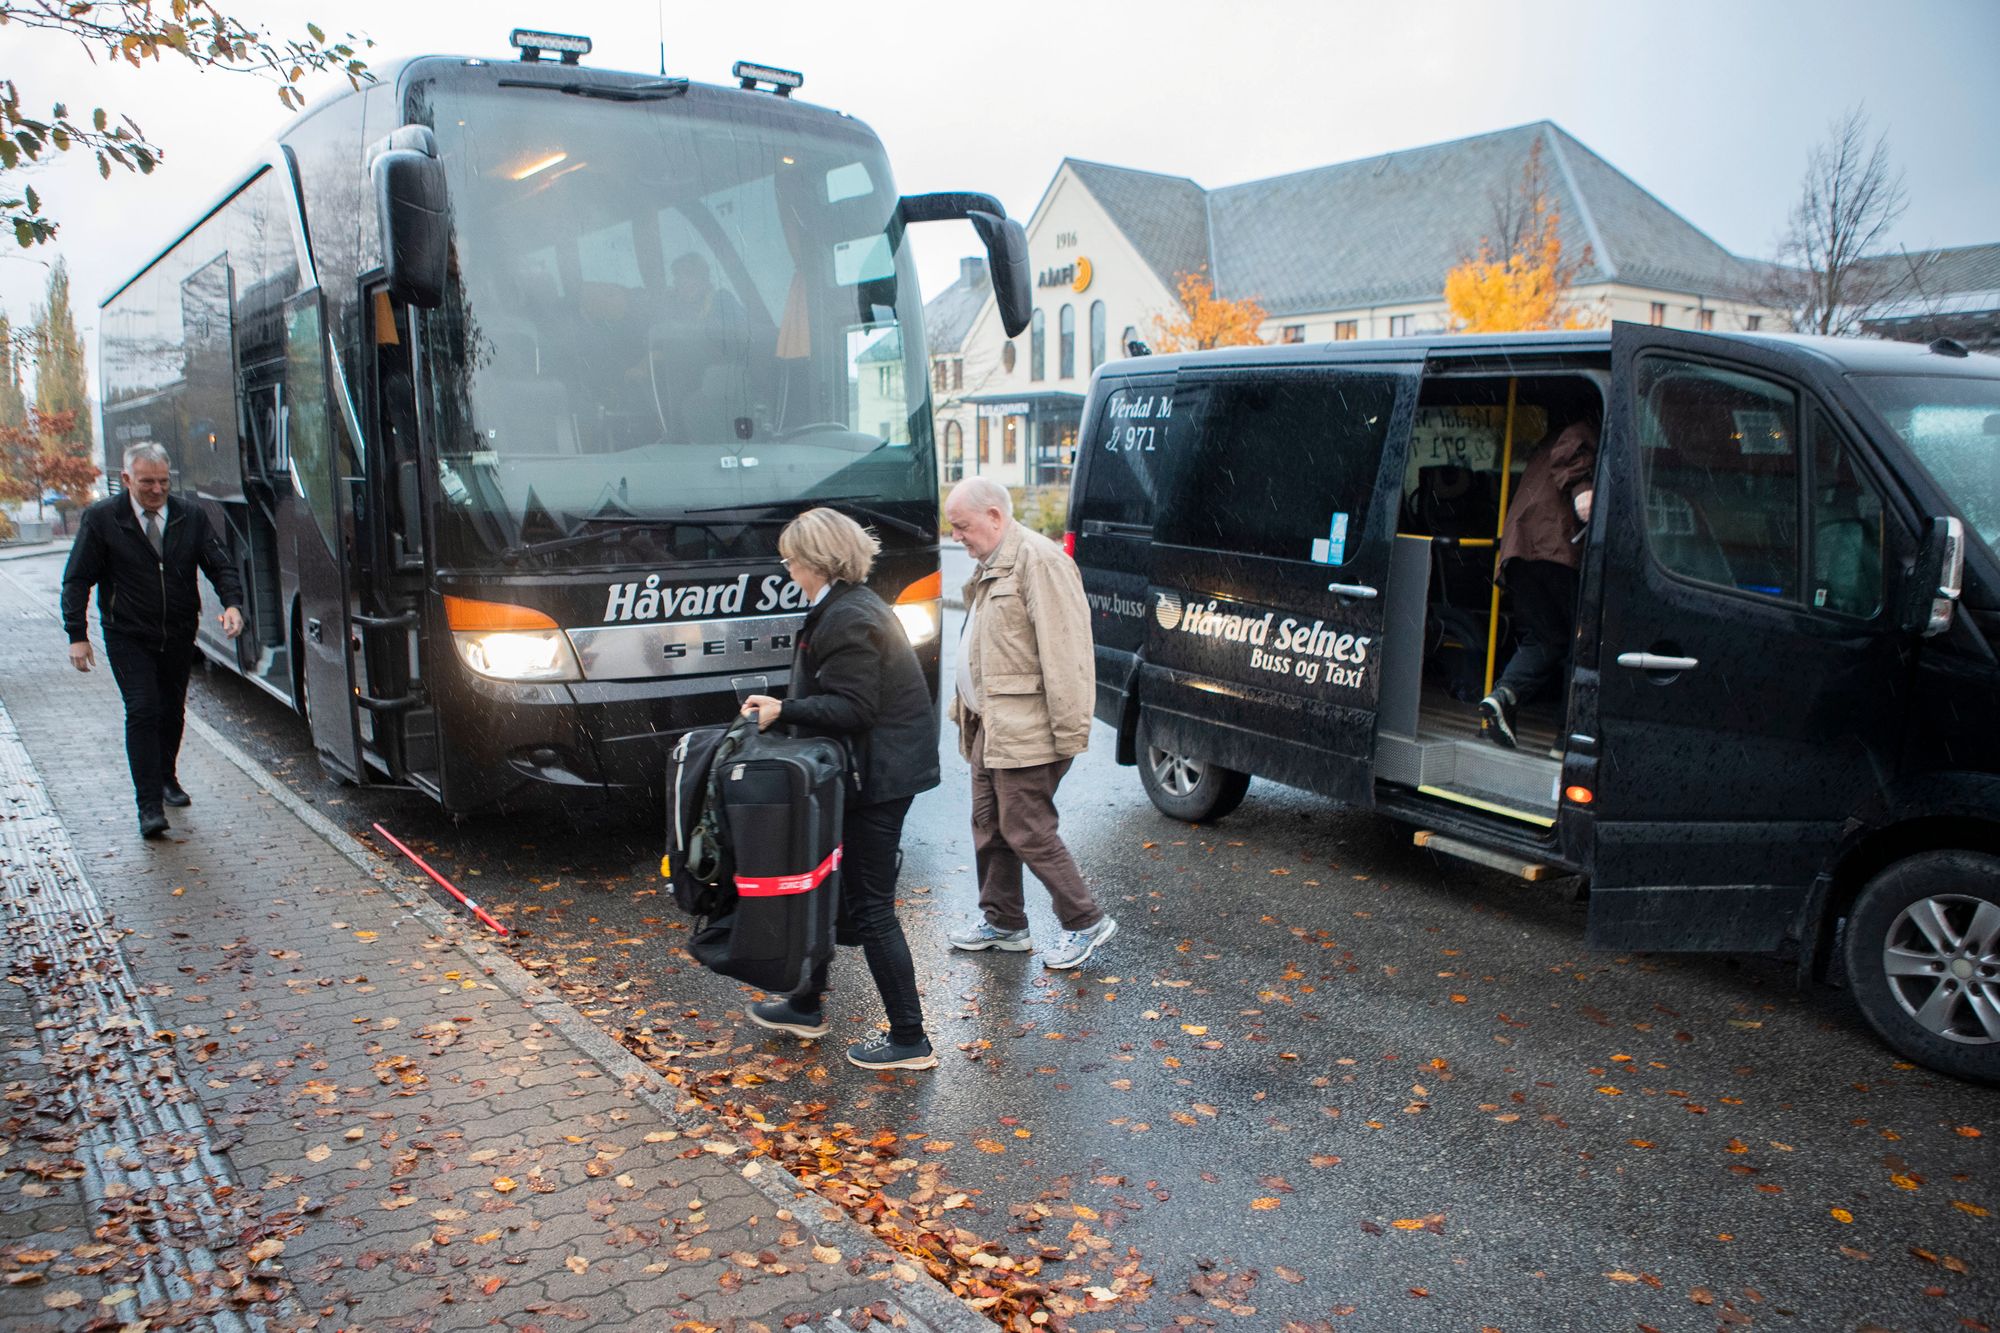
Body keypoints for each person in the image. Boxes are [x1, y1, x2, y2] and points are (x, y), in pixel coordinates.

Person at [738, 508, 942, 1071]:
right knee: (828, 888)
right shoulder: (847, 606)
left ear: (813, 560)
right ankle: (805, 1005)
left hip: (876, 780)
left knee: (872, 907)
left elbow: (855, 707)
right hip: (866, 773)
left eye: (790, 560)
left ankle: (909, 1039)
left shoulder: (848, 617)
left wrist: (783, 711)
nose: (788, 570)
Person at [941, 477, 1114, 970]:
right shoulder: (991, 564)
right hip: (991, 724)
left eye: (962, 526)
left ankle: (1085, 921)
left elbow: (1068, 652)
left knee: (1028, 829)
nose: (956, 536)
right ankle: (1004, 922)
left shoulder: (1039, 561)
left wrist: (1067, 734)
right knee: (988, 826)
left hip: (1029, 730)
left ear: (995, 516)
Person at [61, 442, 245, 838]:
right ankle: (148, 806)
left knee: (171, 710)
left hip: (178, 630)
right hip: (128, 632)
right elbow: (77, 579)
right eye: (147, 482)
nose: (157, 490)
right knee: (143, 710)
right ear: (127, 479)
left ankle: (166, 777)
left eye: (163, 481)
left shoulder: (189, 516)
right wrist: (78, 634)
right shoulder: (102, 519)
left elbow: (220, 564)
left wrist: (232, 604)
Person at [1479, 418, 1599, 749]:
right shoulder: (1591, 424)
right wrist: (1582, 489)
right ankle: (1566, 737)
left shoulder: (1546, 439)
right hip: (1556, 548)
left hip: (1520, 550)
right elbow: (1572, 447)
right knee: (1581, 646)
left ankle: (1504, 695)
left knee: (1544, 638)